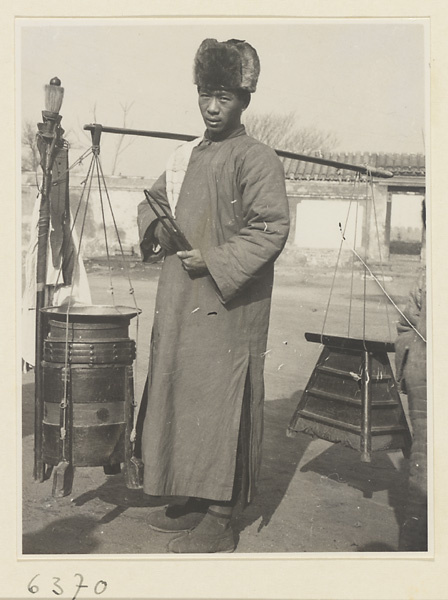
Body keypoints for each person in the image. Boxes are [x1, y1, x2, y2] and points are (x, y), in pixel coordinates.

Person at [136, 38, 290, 553]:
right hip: (182, 304)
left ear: (244, 100)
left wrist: (214, 260)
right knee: (184, 397)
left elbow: (270, 229)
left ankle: (223, 517)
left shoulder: (257, 157)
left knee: (222, 404)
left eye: (223, 96)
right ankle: (194, 497)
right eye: (205, 93)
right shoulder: (186, 157)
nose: (211, 106)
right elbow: (153, 201)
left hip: (229, 308)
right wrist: (157, 229)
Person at [395, 200, 427, 552]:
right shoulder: (427, 275)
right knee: (425, 472)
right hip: (428, 377)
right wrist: (410, 359)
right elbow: (407, 322)